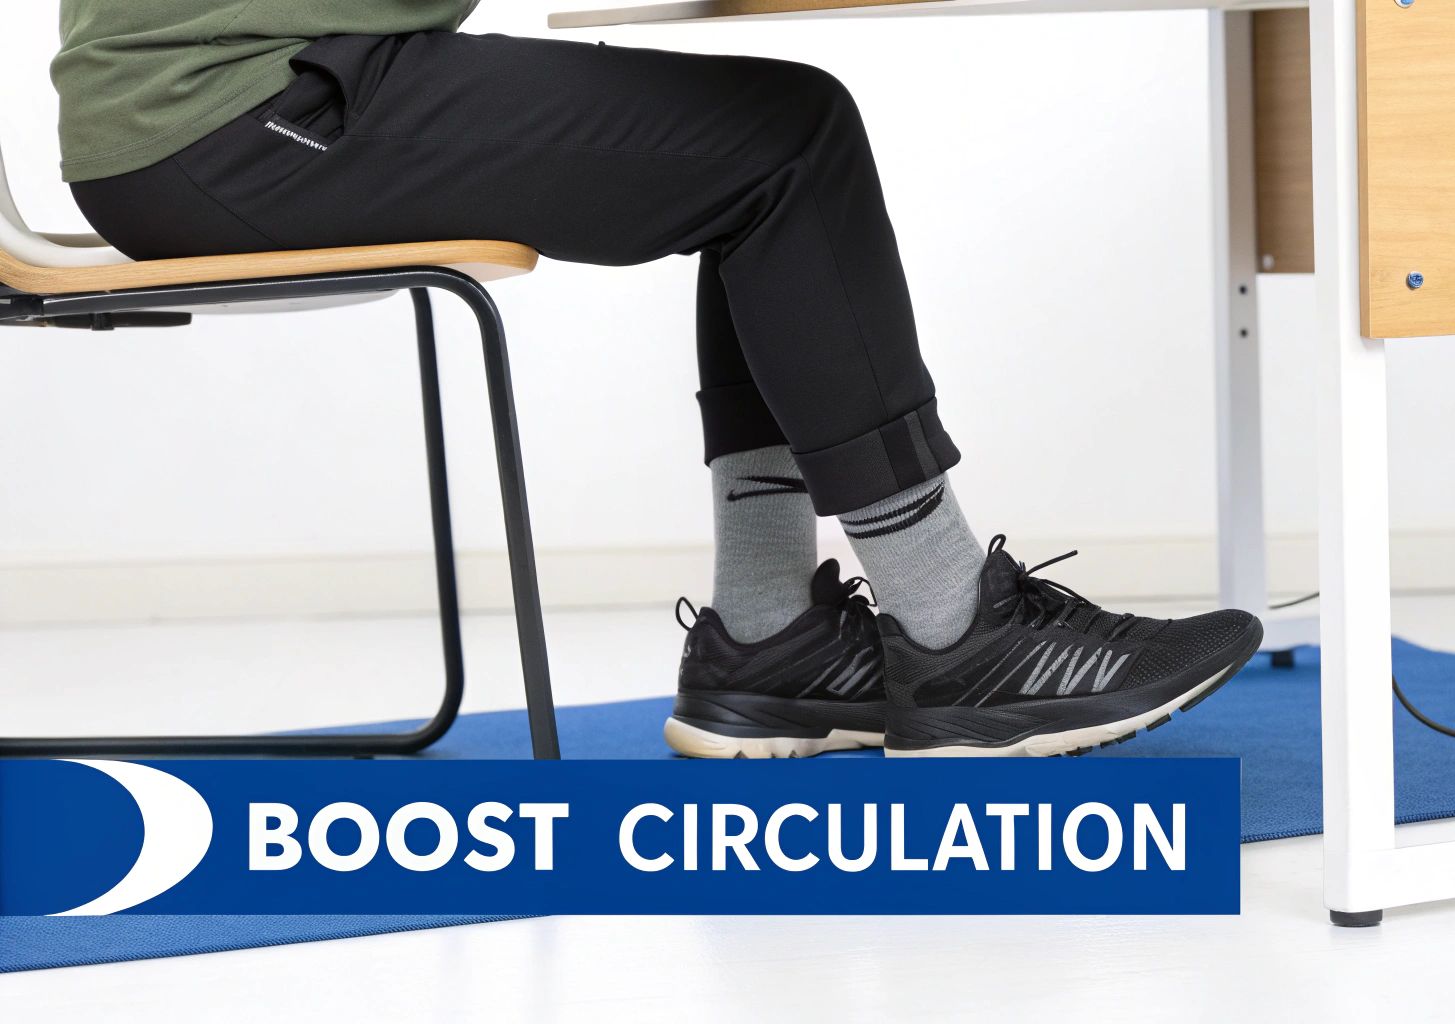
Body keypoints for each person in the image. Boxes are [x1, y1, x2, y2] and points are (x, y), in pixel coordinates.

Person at [53, 1, 1262, 757]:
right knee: (786, 142)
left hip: (210, 103)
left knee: (759, 150)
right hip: (230, 111)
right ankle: (953, 630)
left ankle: (771, 636)